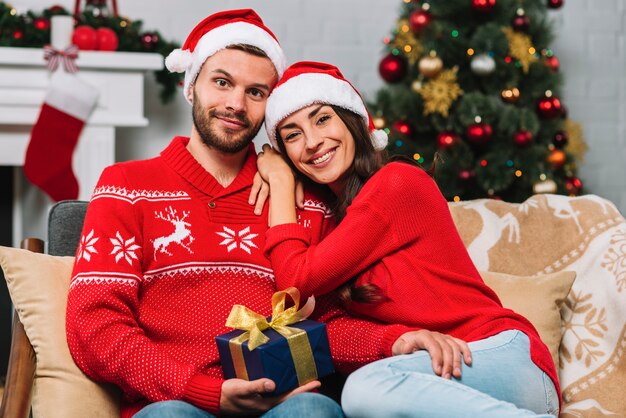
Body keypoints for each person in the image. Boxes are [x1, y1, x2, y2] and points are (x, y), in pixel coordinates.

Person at [65, 11, 414, 418]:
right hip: (176, 402)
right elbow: (95, 326)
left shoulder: (302, 199)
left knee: (312, 412)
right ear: (191, 86)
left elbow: (330, 323)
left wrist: (395, 342)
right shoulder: (125, 186)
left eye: (256, 92)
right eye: (222, 82)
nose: (235, 103)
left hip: (285, 402)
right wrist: (202, 391)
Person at [255, 61, 561, 417]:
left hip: (501, 357)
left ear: (352, 120)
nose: (312, 142)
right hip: (444, 376)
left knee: (366, 389)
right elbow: (325, 329)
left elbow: (294, 282)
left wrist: (279, 183)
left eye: (322, 119)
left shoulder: (396, 183)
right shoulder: (334, 228)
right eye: (292, 135)